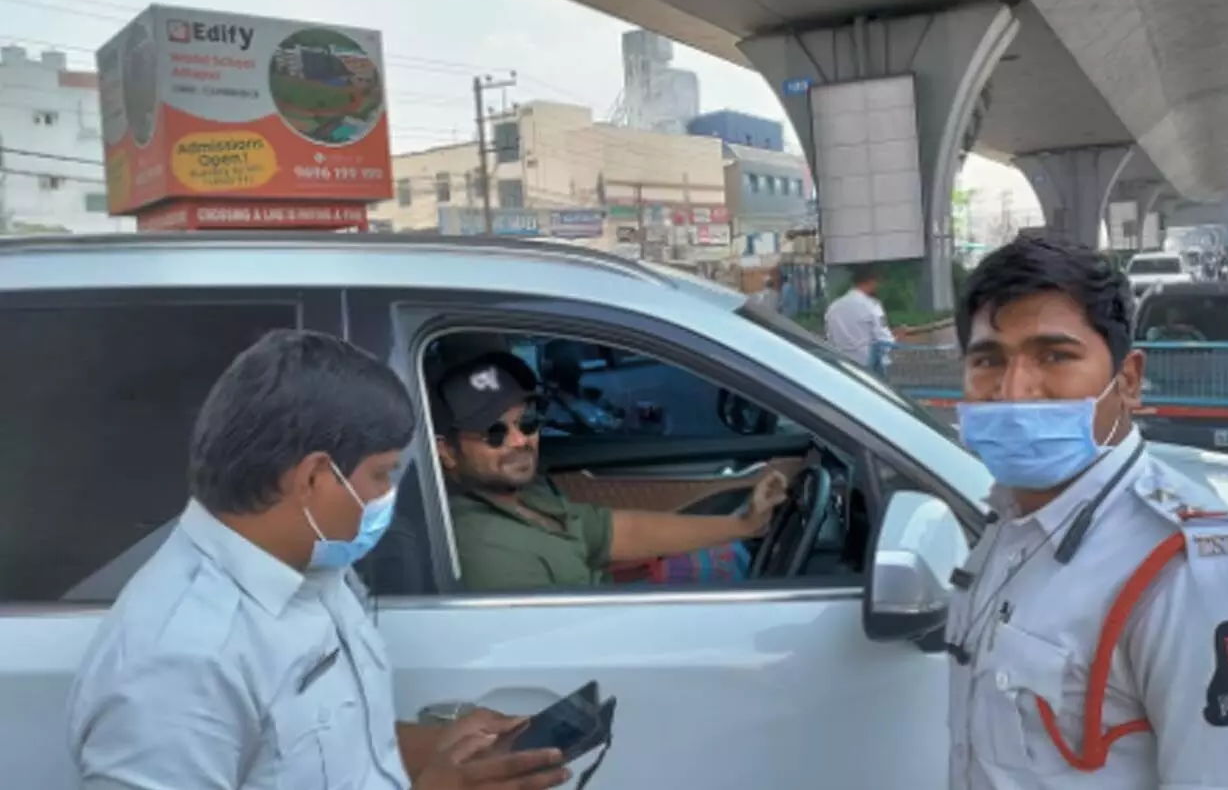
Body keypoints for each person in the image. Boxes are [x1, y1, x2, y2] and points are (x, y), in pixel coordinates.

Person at [67, 329, 571, 790]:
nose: (387, 497)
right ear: (313, 479)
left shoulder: (314, 566)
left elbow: (327, 740)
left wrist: (447, 750)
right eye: (381, 476)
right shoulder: (180, 664)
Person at [946, 235, 1228, 789]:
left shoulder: (1197, 581)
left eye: (1054, 356)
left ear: (1127, 381)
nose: (1013, 390)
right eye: (989, 360)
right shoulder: (1011, 523)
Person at [431, 352, 789, 592]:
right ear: (447, 451)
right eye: (495, 433)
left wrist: (743, 525)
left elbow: (619, 531)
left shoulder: (525, 495)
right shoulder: (482, 547)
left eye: (528, 421)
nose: (520, 440)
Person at [824, 263, 895, 370]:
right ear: (871, 281)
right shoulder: (872, 306)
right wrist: (895, 338)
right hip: (868, 364)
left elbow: (830, 337)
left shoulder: (833, 307)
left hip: (841, 363)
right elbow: (884, 341)